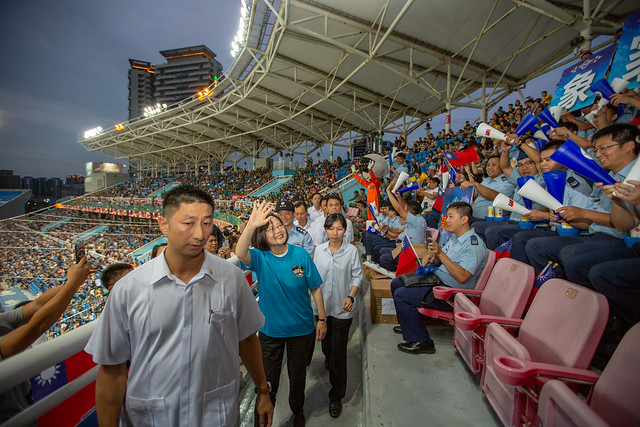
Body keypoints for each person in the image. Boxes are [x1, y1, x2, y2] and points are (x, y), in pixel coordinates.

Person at [85, 185, 273, 427]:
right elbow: (112, 371)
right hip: (151, 418)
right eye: (188, 223)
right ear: (163, 224)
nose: (199, 234)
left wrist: (263, 390)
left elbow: (247, 340)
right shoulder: (128, 290)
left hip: (216, 415)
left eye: (206, 223)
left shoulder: (231, 279)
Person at [237, 200, 327, 427]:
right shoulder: (260, 257)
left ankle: (298, 412)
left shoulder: (301, 255)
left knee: (298, 377)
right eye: (269, 229)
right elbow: (240, 253)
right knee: (267, 383)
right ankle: (263, 420)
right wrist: (251, 224)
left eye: (278, 226)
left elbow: (315, 287)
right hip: (271, 332)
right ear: (261, 236)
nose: (276, 231)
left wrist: (322, 319)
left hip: (302, 329)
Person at [1, 257, 91, 423]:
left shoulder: (3, 319)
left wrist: (72, 281)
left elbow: (36, 305)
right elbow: (35, 328)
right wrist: (72, 284)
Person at [391, 202, 487, 354]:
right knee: (397, 283)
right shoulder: (455, 239)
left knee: (402, 295)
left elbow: (462, 277)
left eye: (450, 217)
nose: (446, 220)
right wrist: (433, 258)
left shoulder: (473, 245)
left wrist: (440, 254)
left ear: (464, 219)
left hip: (450, 293)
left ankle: (422, 341)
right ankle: (409, 324)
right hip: (438, 279)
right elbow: (445, 261)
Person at [312, 213, 362, 418]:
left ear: (345, 230)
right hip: (321, 310)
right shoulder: (319, 252)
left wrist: (351, 297)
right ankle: (328, 359)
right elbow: (314, 279)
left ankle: (336, 396)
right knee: (326, 345)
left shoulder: (352, 252)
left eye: (339, 228)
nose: (335, 233)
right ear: (325, 229)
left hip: (343, 310)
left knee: (338, 352)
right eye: (331, 228)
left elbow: (357, 276)